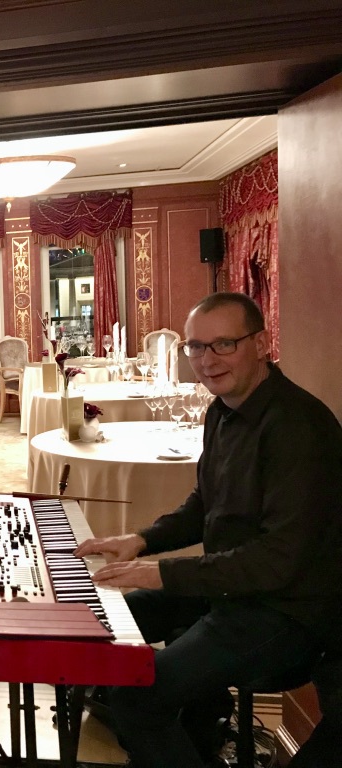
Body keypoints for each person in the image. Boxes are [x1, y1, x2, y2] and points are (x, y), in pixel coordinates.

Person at [74, 292, 342, 768]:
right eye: (195, 347)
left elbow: (277, 561)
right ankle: (197, 738)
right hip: (230, 591)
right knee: (102, 625)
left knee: (137, 697)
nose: (207, 359)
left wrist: (162, 573)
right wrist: (141, 540)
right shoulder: (222, 410)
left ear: (260, 343)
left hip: (286, 613)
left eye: (224, 344)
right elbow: (205, 503)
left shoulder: (298, 428)